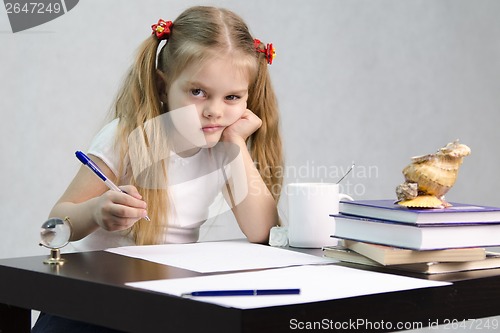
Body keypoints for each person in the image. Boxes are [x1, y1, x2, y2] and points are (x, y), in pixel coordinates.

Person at [32, 5, 283, 332]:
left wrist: (236, 144)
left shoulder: (224, 148)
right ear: (164, 86)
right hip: (88, 306)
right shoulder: (126, 137)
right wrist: (96, 212)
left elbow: (263, 232)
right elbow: (56, 222)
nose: (214, 112)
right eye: (198, 92)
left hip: (158, 301)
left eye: (232, 97)